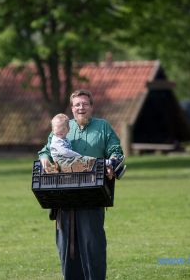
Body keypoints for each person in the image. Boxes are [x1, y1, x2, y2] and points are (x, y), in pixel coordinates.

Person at [38, 89, 125, 280]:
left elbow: (115, 149)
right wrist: (44, 158)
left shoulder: (102, 126)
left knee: (93, 245)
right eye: (77, 104)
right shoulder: (62, 125)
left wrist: (112, 162)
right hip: (63, 195)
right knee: (67, 249)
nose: (81, 108)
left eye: (85, 104)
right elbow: (46, 149)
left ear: (91, 106)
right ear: (72, 108)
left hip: (93, 194)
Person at [50, 113, 126, 179]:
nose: (60, 131)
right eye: (57, 129)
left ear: (68, 129)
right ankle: (110, 162)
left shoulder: (64, 139)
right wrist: (78, 156)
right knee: (86, 160)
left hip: (66, 160)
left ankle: (115, 171)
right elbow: (65, 152)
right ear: (53, 130)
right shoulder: (56, 140)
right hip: (61, 161)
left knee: (89, 165)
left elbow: (114, 144)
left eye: (63, 129)